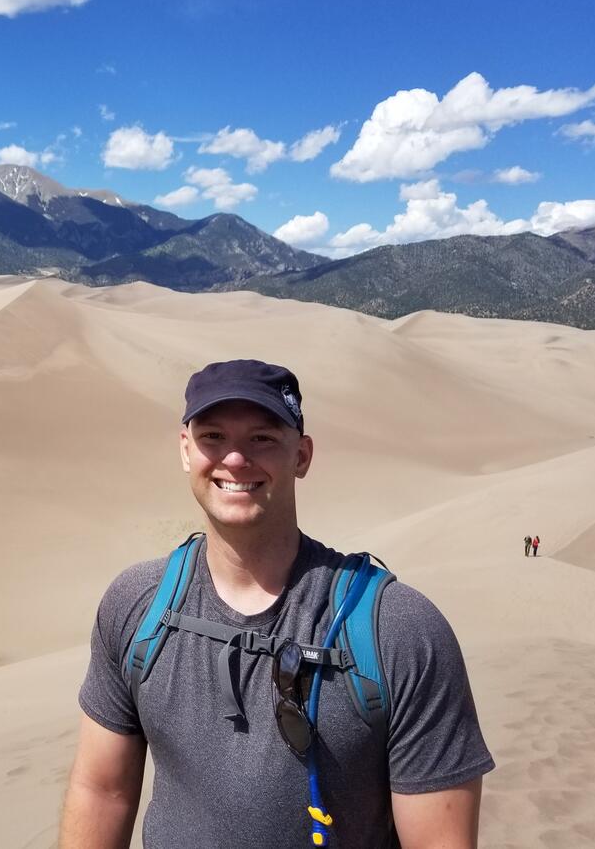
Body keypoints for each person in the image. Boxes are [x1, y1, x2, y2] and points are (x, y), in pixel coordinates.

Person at [59, 359, 494, 848]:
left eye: (262, 438)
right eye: (213, 437)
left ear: (302, 456)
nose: (236, 460)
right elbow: (102, 791)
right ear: (186, 450)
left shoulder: (400, 630)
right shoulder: (138, 606)